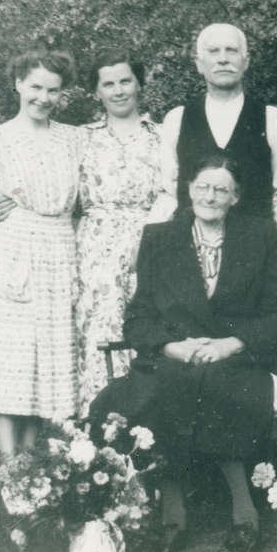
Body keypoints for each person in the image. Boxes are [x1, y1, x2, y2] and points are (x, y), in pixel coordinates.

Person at [91, 155, 277, 552]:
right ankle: (173, 517)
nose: (210, 196)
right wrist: (171, 346)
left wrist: (230, 344)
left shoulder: (260, 235)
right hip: (174, 358)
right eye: (203, 187)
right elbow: (138, 317)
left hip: (236, 359)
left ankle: (244, 518)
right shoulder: (160, 238)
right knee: (162, 386)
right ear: (189, 190)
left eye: (221, 189)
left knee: (217, 386)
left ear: (235, 197)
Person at [0, 49, 83, 455]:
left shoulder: (75, 139)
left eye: (54, 90)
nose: (44, 98)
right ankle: (8, 460)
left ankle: (30, 458)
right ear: (17, 83)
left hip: (61, 253)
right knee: (8, 360)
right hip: (12, 255)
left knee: (44, 361)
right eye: (35, 87)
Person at [150, 23, 277, 262]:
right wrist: (149, 238)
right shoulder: (177, 119)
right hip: (189, 252)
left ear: (246, 61)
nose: (223, 59)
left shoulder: (271, 119)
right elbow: (169, 192)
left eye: (231, 50)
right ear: (199, 64)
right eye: (213, 51)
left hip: (255, 253)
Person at [74, 48, 165, 414]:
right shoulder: (81, 138)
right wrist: (8, 197)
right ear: (96, 92)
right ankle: (96, 427)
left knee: (148, 328)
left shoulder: (162, 136)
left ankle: (149, 428)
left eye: (126, 81)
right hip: (95, 248)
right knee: (100, 331)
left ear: (139, 84)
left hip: (151, 242)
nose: (119, 90)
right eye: (108, 84)